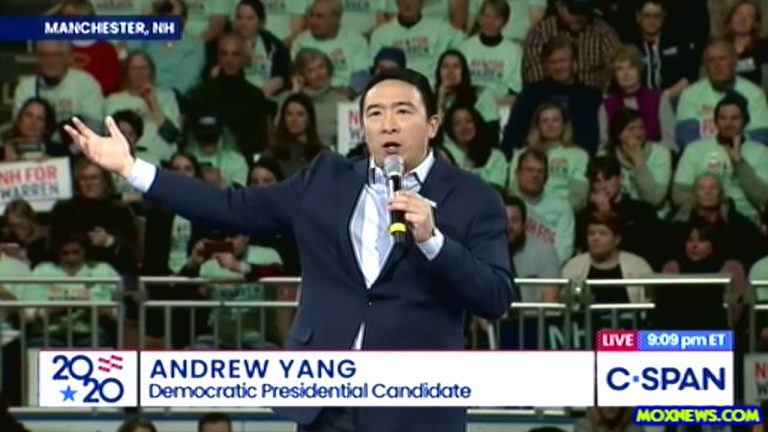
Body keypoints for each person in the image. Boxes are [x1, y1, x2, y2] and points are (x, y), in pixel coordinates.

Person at [64, 68, 515, 432]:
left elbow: (496, 297)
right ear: (363, 126)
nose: (389, 124)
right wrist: (131, 168)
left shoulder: (474, 198)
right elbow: (229, 206)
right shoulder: (325, 180)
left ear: (432, 124)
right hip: (327, 403)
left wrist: (434, 242)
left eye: (403, 111)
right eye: (375, 113)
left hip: (414, 407)